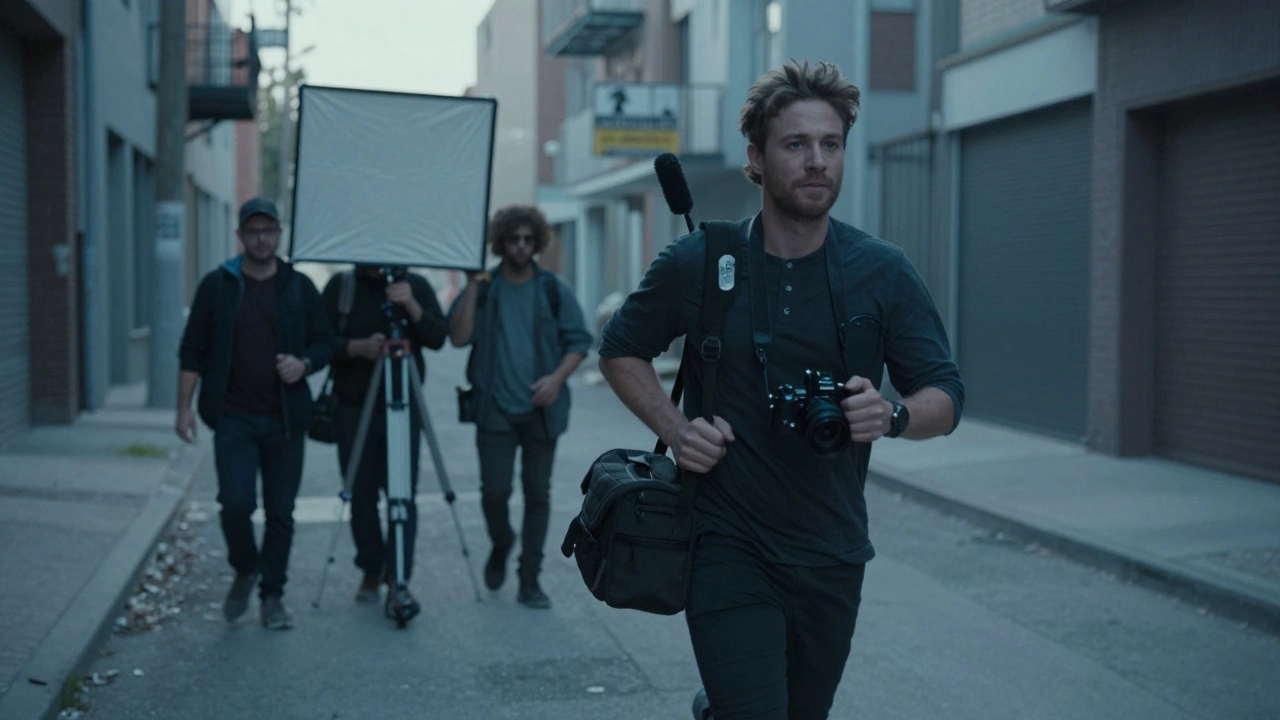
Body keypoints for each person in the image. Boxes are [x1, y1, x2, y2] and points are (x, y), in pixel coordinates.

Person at [596, 60, 966, 719]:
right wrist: (678, 430)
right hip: (725, 541)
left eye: (831, 144)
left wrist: (895, 415)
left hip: (832, 550)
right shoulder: (702, 262)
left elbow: (945, 394)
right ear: (757, 159)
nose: (817, 161)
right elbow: (621, 349)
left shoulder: (882, 271)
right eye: (796, 144)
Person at [176, 197, 334, 630]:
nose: (262, 238)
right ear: (241, 236)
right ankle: (246, 568)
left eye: (269, 230)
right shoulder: (218, 285)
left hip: (285, 420)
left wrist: (304, 364)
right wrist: (183, 409)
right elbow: (192, 348)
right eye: (253, 231)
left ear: (279, 234)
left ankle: (272, 595)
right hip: (233, 418)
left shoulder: (299, 286)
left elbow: (326, 341)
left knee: (281, 513)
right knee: (235, 505)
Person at [447, 205, 593, 608]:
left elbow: (579, 340)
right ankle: (501, 542)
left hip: (542, 412)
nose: (521, 247)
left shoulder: (550, 287)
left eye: (529, 240)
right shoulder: (487, 286)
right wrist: (472, 285)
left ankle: (530, 578)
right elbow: (458, 338)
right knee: (494, 492)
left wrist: (556, 379)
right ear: (501, 242)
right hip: (493, 409)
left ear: (538, 242)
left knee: (537, 495)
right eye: (514, 239)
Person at [321, 264, 448, 617]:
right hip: (353, 406)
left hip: (403, 407)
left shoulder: (416, 285)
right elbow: (317, 340)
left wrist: (413, 307)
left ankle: (400, 573)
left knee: (402, 494)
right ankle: (371, 569)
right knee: (360, 494)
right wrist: (354, 348)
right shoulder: (341, 287)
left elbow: (439, 337)